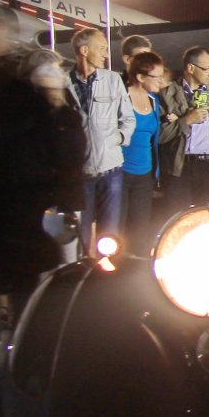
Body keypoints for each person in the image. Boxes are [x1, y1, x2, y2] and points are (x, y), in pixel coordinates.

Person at [0, 47, 86, 321]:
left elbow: (74, 157)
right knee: (27, 272)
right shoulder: (19, 113)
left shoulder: (66, 117)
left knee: (62, 263)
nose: (53, 91)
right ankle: (28, 321)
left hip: (58, 201)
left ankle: (55, 318)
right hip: (24, 205)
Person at [66, 28, 136, 252]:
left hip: (111, 171)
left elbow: (128, 118)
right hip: (79, 174)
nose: (106, 54)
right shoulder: (63, 84)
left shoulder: (112, 80)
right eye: (102, 49)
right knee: (81, 237)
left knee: (109, 237)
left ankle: (107, 270)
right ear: (84, 51)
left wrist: (119, 138)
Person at [159, 45, 209, 212]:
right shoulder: (167, 94)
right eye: (207, 68)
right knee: (179, 217)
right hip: (178, 168)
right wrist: (186, 121)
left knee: (204, 216)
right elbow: (159, 135)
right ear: (190, 68)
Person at [120, 50, 166, 248]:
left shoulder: (154, 101)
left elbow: (154, 138)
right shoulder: (122, 98)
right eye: (157, 77)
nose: (161, 81)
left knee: (140, 231)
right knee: (118, 230)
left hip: (144, 176)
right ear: (140, 77)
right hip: (120, 173)